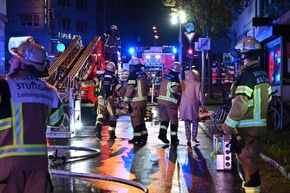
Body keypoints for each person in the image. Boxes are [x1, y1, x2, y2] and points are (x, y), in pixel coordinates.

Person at [0, 37, 64, 193]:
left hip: (8, 167)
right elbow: (57, 121)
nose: (10, 61)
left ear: (23, 62)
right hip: (38, 167)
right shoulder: (49, 91)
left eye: (15, 57)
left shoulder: (4, 86)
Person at [221, 36, 271, 193]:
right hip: (259, 126)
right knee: (251, 160)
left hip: (247, 127)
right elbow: (267, 98)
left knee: (246, 161)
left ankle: (252, 190)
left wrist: (227, 126)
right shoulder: (262, 74)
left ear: (244, 54)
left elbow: (239, 105)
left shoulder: (247, 76)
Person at [81, 61, 123, 140]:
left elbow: (91, 82)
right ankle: (111, 134)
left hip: (100, 98)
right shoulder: (113, 78)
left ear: (106, 68)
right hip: (109, 98)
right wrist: (125, 96)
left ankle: (97, 129)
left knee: (100, 114)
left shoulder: (101, 77)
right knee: (112, 116)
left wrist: (81, 84)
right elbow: (119, 88)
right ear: (113, 69)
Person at [122, 58, 148, 144]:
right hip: (144, 100)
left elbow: (130, 88)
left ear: (132, 66)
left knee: (135, 119)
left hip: (136, 101)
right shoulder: (144, 74)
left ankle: (137, 138)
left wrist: (125, 101)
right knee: (141, 119)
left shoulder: (133, 75)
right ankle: (144, 136)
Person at [157, 61, 182, 145]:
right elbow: (174, 89)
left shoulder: (166, 76)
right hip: (170, 102)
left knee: (165, 119)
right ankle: (174, 139)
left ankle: (162, 134)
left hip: (161, 101)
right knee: (174, 120)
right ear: (178, 71)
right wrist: (180, 92)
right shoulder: (175, 77)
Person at [179, 70, 205, 146]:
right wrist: (203, 105)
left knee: (187, 122)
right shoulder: (197, 84)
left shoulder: (183, 82)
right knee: (195, 121)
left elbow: (178, 92)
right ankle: (194, 137)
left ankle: (188, 139)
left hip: (184, 104)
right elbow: (201, 96)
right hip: (194, 104)